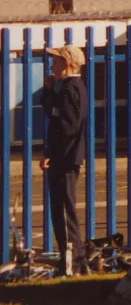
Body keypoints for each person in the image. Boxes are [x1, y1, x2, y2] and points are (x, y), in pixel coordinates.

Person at [40, 44, 87, 275]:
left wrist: (51, 154)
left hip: (65, 159)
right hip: (63, 157)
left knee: (65, 212)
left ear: (67, 65)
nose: (52, 65)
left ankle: (73, 265)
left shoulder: (72, 89)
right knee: (61, 210)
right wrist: (49, 91)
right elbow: (52, 113)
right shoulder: (67, 88)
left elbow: (66, 128)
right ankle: (71, 261)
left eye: (56, 61)